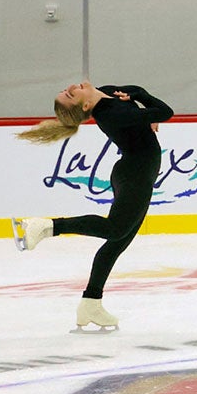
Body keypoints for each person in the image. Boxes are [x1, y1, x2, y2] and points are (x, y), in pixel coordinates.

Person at [13, 80, 175, 332]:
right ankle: (48, 226)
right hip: (135, 174)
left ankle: (91, 302)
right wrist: (141, 97)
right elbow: (166, 112)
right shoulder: (113, 115)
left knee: (117, 242)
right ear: (86, 104)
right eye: (70, 94)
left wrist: (134, 98)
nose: (71, 87)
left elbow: (128, 90)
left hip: (136, 173)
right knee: (114, 230)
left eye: (66, 90)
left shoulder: (107, 94)